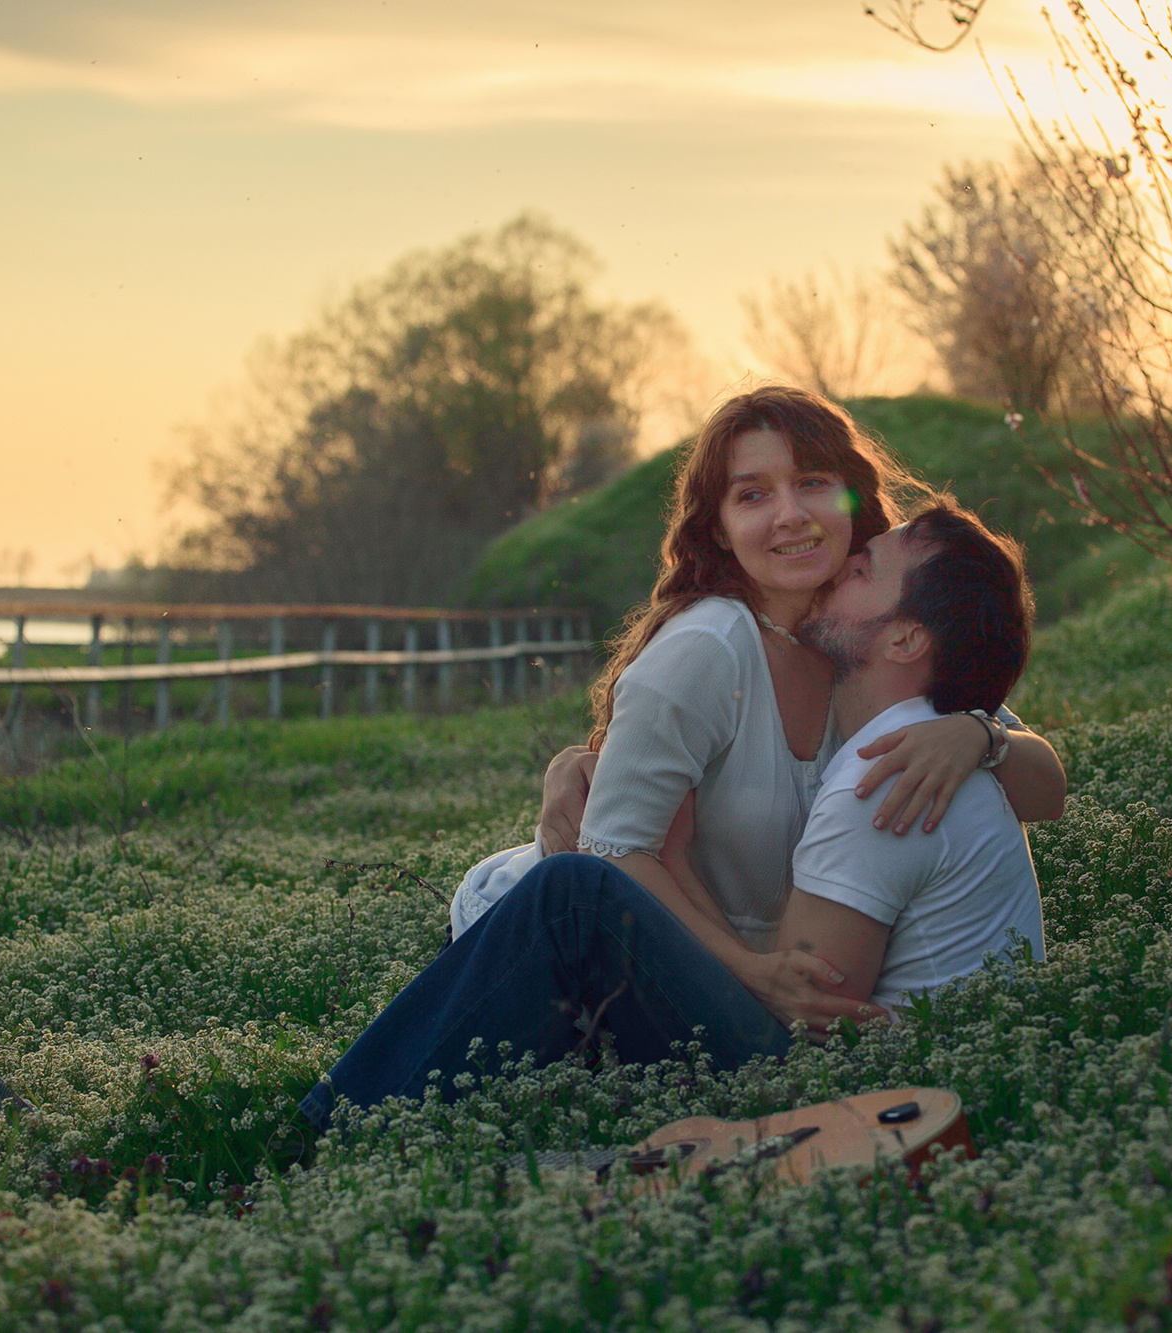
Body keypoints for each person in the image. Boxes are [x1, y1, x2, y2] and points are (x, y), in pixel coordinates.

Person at [296, 502, 1043, 1133]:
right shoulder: (918, 719)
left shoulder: (893, 772)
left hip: (834, 1093)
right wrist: (982, 734)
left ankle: (332, 1131)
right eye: (752, 496)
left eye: (861, 569)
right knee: (568, 892)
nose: (837, 562)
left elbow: (811, 1007)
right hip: (867, 1072)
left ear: (907, 638)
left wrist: (986, 735)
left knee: (575, 897)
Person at [446, 386, 1063, 1030]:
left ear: (851, 497)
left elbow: (1047, 794)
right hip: (548, 953)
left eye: (813, 482)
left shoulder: (865, 633)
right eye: (753, 495)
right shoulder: (706, 648)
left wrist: (978, 738)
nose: (791, 515)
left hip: (727, 973)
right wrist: (748, 973)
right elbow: (609, 856)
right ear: (719, 528)